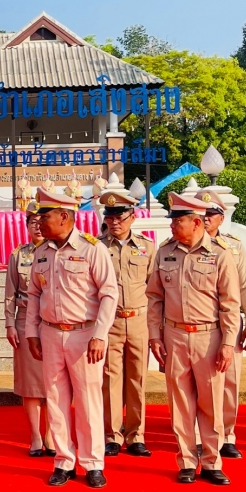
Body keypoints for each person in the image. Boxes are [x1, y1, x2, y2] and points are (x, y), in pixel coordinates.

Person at [25, 188, 117, 489]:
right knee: (55, 399)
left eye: (45, 217)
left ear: (64, 217)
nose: (39, 222)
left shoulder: (92, 249)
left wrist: (100, 335)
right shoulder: (41, 252)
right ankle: (64, 461)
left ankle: (92, 463)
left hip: (84, 335)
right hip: (51, 333)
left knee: (88, 401)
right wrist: (31, 332)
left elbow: (109, 294)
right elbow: (34, 294)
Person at [146, 192, 240, 486]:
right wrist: (154, 336)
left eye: (178, 221)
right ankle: (187, 460)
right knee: (180, 403)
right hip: (174, 335)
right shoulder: (165, 252)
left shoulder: (220, 254)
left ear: (196, 223)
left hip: (208, 337)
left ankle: (211, 461)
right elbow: (154, 298)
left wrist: (228, 343)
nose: (172, 226)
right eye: (173, 221)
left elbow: (230, 304)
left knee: (210, 402)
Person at [195, 189, 246, 458]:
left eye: (212, 214)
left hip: (230, 323)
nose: (206, 218)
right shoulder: (184, 245)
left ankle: (227, 434)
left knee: (230, 381)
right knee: (199, 383)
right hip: (199, 323)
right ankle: (200, 436)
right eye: (202, 214)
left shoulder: (234, 246)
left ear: (222, 218)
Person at [97, 192, 155, 457]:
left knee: (137, 378)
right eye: (109, 217)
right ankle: (112, 435)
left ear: (133, 217)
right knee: (110, 379)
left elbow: (154, 288)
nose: (114, 222)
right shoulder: (97, 247)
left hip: (139, 319)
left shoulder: (147, 247)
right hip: (111, 321)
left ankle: (136, 434)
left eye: (119, 217)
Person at [4, 202, 55, 457]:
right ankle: (35, 435)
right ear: (26, 226)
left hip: (53, 321)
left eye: (40, 221)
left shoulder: (57, 251)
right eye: (32, 222)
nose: (37, 226)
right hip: (25, 320)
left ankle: (51, 434)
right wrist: (9, 324)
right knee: (31, 383)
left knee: (54, 382)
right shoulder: (18, 255)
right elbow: (10, 293)